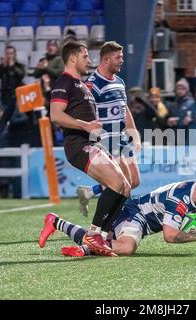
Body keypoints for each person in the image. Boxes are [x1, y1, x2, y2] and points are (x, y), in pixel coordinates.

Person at [49, 41, 131, 256]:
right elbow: (56, 115)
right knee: (115, 182)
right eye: (85, 56)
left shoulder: (82, 85)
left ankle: (101, 238)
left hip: (93, 143)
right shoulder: (64, 82)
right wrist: (85, 125)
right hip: (78, 145)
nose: (89, 61)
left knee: (125, 186)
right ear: (73, 58)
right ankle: (94, 235)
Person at [39, 175, 196, 257]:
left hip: (135, 211)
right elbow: (170, 236)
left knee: (108, 242)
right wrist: (194, 236)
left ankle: (55, 221)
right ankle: (85, 249)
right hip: (134, 214)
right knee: (127, 248)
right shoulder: (179, 201)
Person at [76, 41, 141, 217]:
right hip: (105, 140)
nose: (122, 60)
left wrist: (134, 133)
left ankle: (89, 192)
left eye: (122, 56)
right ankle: (113, 222)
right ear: (105, 59)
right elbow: (83, 112)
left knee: (134, 180)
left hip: (120, 137)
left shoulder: (119, 82)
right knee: (122, 183)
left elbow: (124, 108)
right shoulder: (92, 85)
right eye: (118, 57)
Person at [0, 45, 25, 112]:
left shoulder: (19, 66)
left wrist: (12, 66)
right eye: (7, 53)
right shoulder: (2, 66)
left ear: (14, 55)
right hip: (5, 95)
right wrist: (3, 67)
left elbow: (22, 75)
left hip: (16, 95)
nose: (9, 55)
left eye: (11, 53)